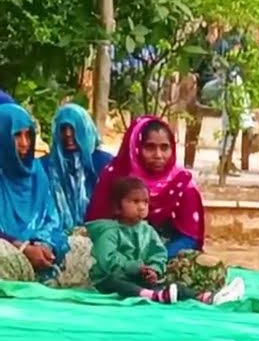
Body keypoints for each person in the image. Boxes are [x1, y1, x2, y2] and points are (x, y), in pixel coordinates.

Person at [84, 116, 227, 294]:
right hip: (118, 254)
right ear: (137, 147)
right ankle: (159, 292)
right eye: (150, 147)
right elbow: (97, 224)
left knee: (208, 271)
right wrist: (134, 264)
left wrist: (154, 264)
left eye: (165, 147)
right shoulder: (116, 175)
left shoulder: (182, 183)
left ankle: (185, 294)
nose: (158, 155)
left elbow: (189, 238)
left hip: (164, 255)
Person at [87, 176, 245, 304]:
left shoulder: (147, 231)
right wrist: (135, 267)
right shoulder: (109, 232)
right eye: (135, 202)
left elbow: (158, 253)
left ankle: (205, 297)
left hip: (137, 278)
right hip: (110, 279)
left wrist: (154, 270)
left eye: (145, 202)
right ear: (117, 206)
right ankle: (153, 296)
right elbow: (106, 260)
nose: (141, 207)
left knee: (173, 285)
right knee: (114, 282)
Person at [0, 104, 94, 285]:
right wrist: (23, 247)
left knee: (83, 247)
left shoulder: (36, 172)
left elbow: (51, 219)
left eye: (28, 135)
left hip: (38, 248)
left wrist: (44, 244)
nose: (24, 143)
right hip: (10, 248)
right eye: (17, 135)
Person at [41, 103, 114, 231]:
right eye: (63, 128)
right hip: (54, 232)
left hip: (100, 231)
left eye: (74, 128)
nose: (68, 134)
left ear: (85, 128)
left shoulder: (104, 162)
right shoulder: (44, 165)